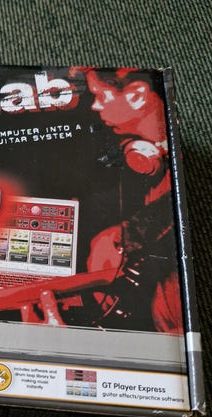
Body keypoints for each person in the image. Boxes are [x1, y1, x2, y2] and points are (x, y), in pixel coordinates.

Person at [82, 69, 183, 334]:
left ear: (137, 95)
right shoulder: (146, 153)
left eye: (100, 96)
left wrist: (128, 237)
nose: (95, 106)